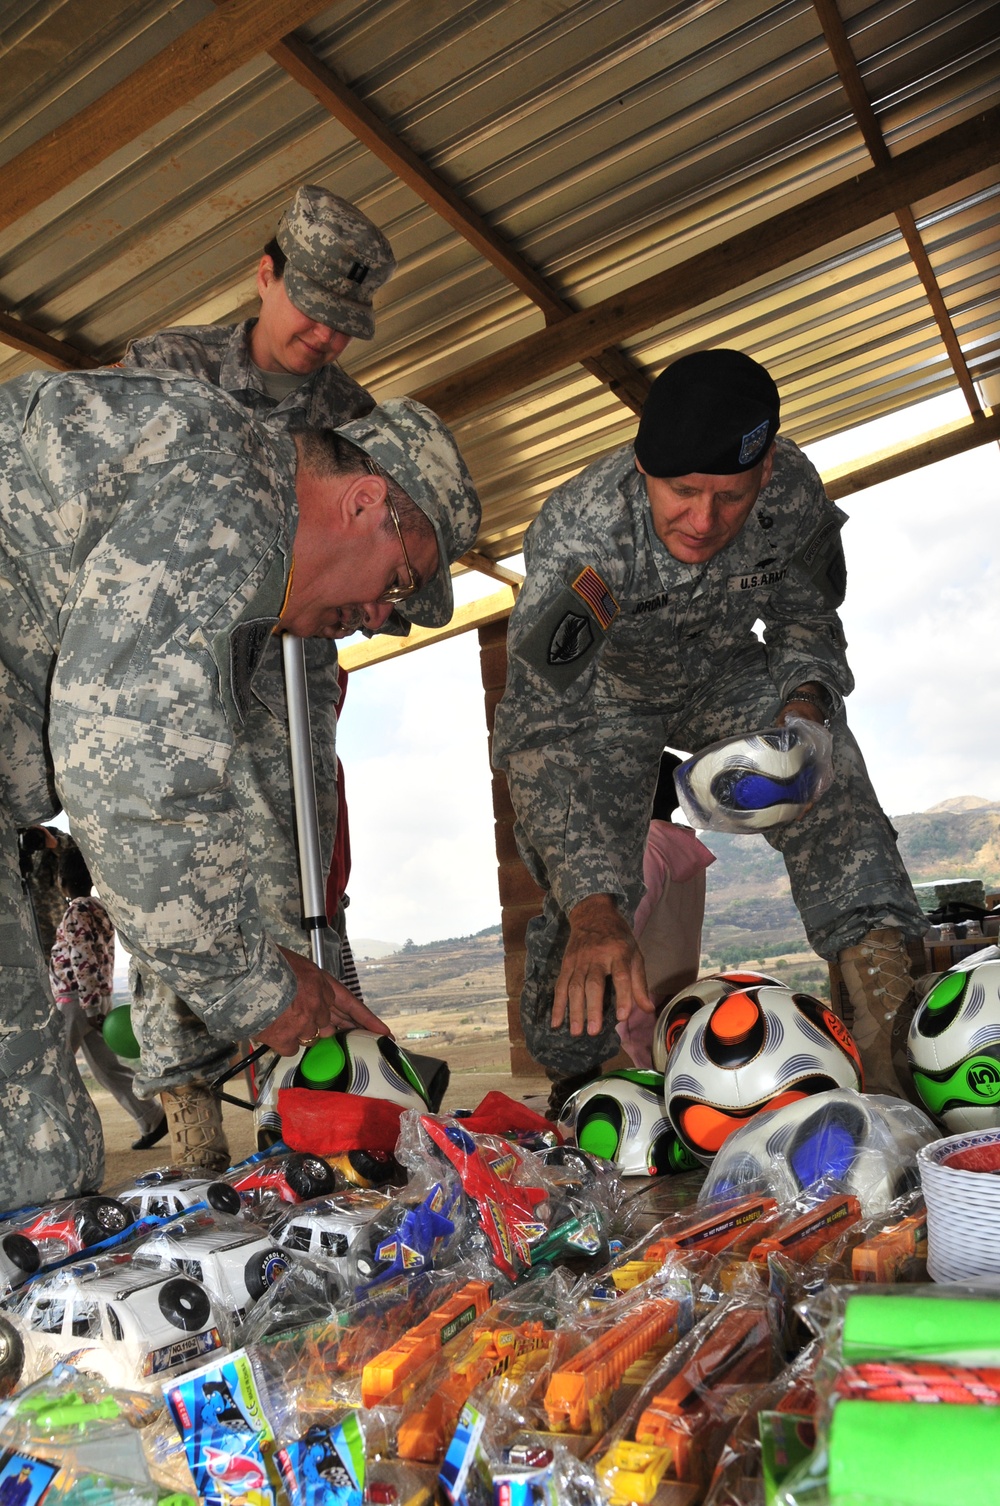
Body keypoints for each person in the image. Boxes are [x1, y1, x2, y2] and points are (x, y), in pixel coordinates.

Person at [0, 366, 480, 1206]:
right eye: (399, 582)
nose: (379, 616)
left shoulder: (215, 491)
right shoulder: (228, 496)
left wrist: (264, 963)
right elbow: (137, 781)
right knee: (31, 1151)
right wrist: (254, 987)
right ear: (365, 502)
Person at [492, 348, 926, 1110]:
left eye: (730, 497)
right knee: (589, 894)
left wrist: (805, 714)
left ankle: (888, 1029)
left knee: (829, 774)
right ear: (643, 466)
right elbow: (540, 731)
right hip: (606, 697)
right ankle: (579, 1077)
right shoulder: (583, 534)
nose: (704, 520)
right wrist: (592, 903)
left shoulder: (792, 491)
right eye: (682, 491)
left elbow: (805, 620)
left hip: (724, 669)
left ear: (765, 472)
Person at [122, 185, 395, 1165]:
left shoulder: (351, 414)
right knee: (174, 862)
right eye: (310, 309)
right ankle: (190, 1114)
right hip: (178, 660)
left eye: (344, 323)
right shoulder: (169, 369)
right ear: (265, 274)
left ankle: (311, 1113)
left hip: (291, 672)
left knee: (296, 865)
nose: (324, 336)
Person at [49, 842, 167, 1150]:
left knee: (54, 1069)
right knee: (107, 1068)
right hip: (96, 999)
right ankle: (152, 1117)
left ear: (62, 879)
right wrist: (97, 1003)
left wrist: (89, 1007)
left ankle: (55, 1139)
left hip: (75, 1001)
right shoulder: (100, 909)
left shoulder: (75, 911)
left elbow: (82, 958)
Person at [617, 752, 715, 1069]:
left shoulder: (647, 847)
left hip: (639, 985)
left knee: (642, 1068)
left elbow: (628, 921)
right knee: (666, 1058)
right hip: (674, 981)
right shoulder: (683, 846)